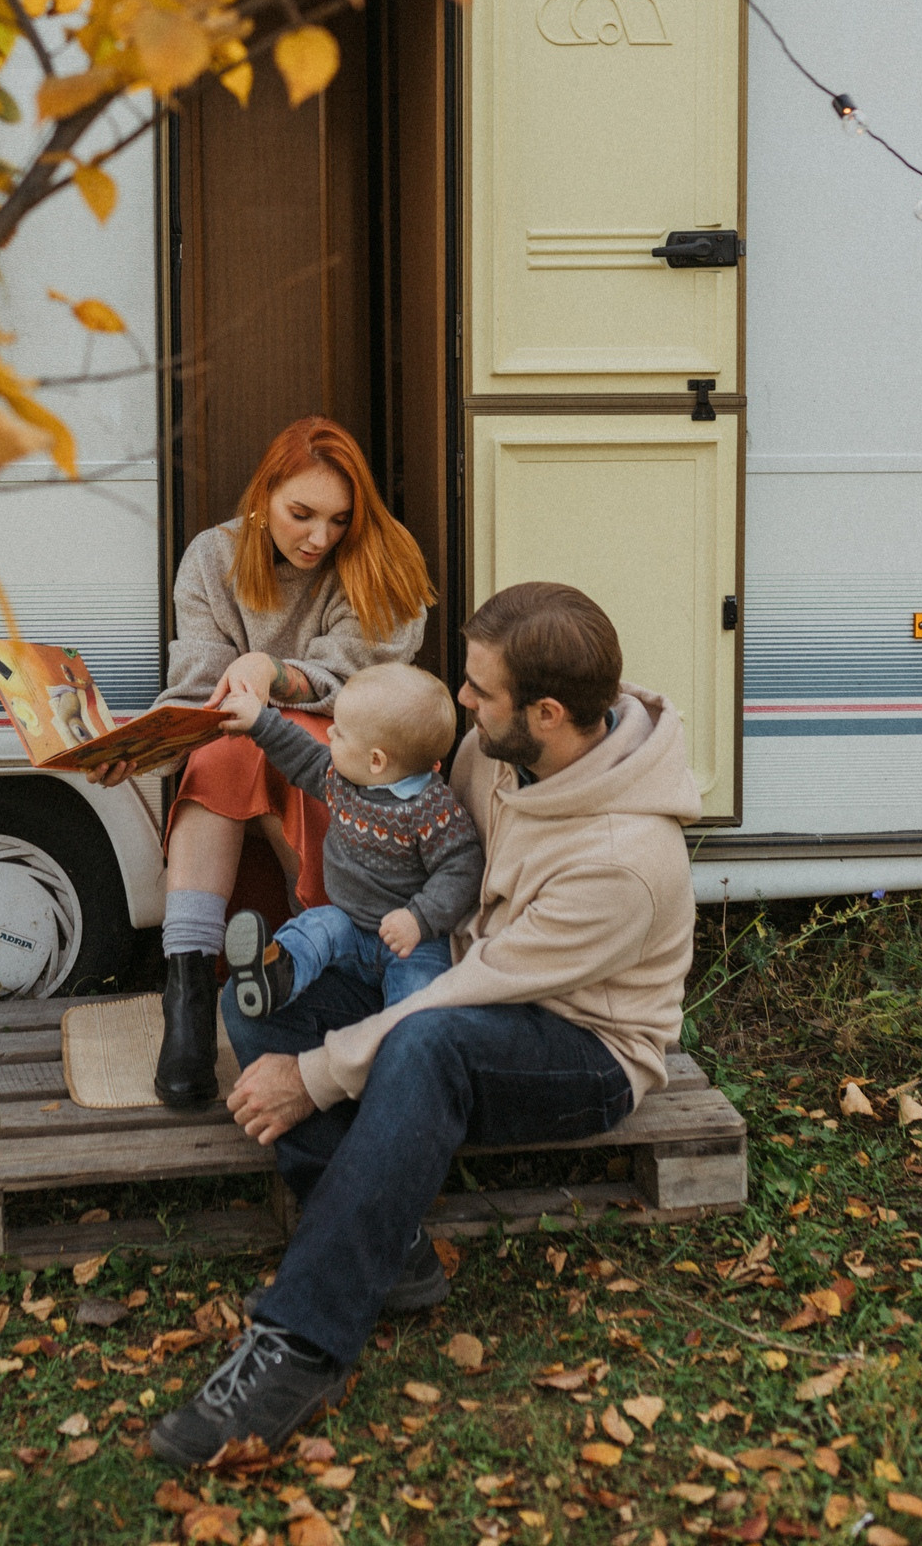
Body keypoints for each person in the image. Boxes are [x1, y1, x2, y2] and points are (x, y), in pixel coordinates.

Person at [151, 582, 701, 1468]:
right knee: (262, 1002)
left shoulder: (623, 862)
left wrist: (318, 1075)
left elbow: (474, 991)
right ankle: (393, 1245)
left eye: (480, 690)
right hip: (447, 982)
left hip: (578, 1047)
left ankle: (298, 1349)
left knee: (422, 1046)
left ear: (548, 713)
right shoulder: (496, 751)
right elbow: (397, 791)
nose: (462, 702)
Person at [91, 417, 432, 1107]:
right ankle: (187, 998)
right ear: (263, 495)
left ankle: (314, 967)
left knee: (273, 734)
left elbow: (367, 679)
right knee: (225, 743)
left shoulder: (381, 556)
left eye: (339, 519)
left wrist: (273, 674)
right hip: (238, 751)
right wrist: (137, 751)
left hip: (352, 752)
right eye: (300, 514)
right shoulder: (213, 559)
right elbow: (198, 693)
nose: (319, 538)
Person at [216, 662, 483, 1017]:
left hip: (413, 941)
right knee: (315, 928)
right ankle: (277, 974)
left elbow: (463, 870)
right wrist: (259, 722)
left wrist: (418, 918)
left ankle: (400, 1042)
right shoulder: (341, 780)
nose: (328, 736)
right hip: (349, 926)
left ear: (376, 760)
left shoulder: (432, 810)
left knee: (419, 996)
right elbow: (300, 754)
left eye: (339, 733)